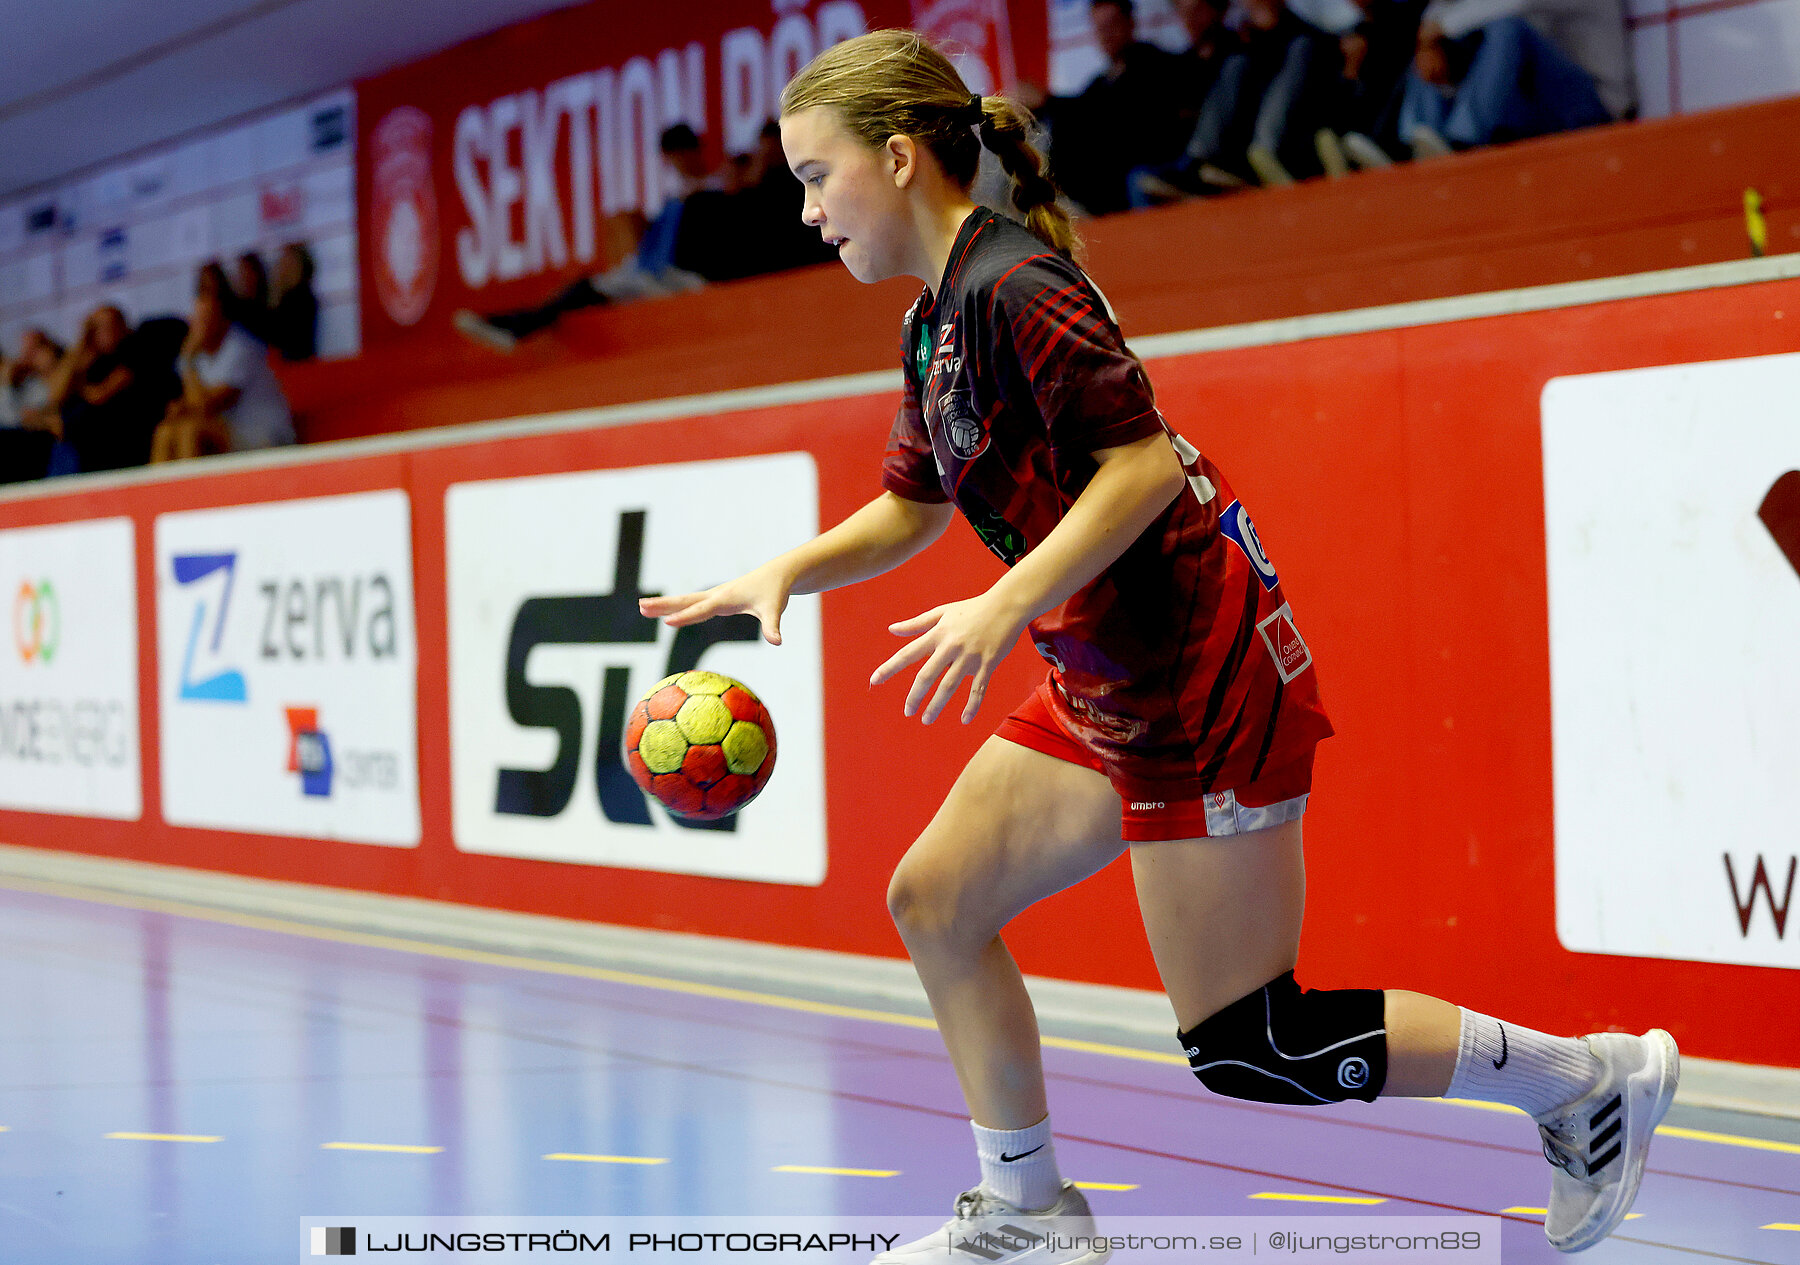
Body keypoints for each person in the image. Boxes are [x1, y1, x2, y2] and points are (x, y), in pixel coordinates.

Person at [639, 29, 1677, 1264]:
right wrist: (787, 569)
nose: (806, 211)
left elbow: (1137, 465)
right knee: (935, 902)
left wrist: (1006, 602)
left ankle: (1585, 1080)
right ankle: (1028, 1212)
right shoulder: (935, 320)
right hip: (1107, 671)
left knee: (1254, 1042)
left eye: (816, 176)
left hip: (1197, 673)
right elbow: (916, 506)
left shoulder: (1018, 287)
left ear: (903, 159)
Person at [454, 124, 719, 352]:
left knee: (585, 290)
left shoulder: (717, 187)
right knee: (580, 288)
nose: (676, 163)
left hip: (678, 278)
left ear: (693, 151)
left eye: (680, 154)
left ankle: (514, 328)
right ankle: (511, 324)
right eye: (671, 157)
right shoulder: (675, 198)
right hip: (648, 272)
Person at [1399, 0, 1632, 157]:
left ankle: (1463, 140)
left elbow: (1515, 2)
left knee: (1507, 28)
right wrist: (1429, 39)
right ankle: (1421, 140)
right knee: (1430, 43)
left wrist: (1439, 27)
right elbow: (1441, 10)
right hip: (1541, 111)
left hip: (1594, 106)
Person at [1028, 0, 1188, 215]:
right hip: (1099, 186)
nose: (1106, 34)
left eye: (1112, 25)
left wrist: (1049, 101)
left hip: (1134, 173)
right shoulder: (1099, 82)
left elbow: (1111, 113)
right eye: (1100, 28)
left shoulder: (1155, 65)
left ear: (1130, 23)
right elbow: (1081, 110)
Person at [151, 286, 295, 461]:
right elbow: (195, 402)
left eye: (205, 318)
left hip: (264, 435)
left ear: (223, 321)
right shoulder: (201, 355)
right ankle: (162, 489)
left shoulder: (241, 348)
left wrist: (187, 361)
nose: (197, 325)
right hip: (230, 430)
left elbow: (207, 407)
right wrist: (182, 407)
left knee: (191, 431)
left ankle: (194, 489)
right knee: (165, 431)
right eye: (196, 318)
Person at [268, 242, 319, 362]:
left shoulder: (302, 299)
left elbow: (282, 335)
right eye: (283, 262)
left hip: (299, 365)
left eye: (289, 263)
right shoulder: (286, 297)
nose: (283, 267)